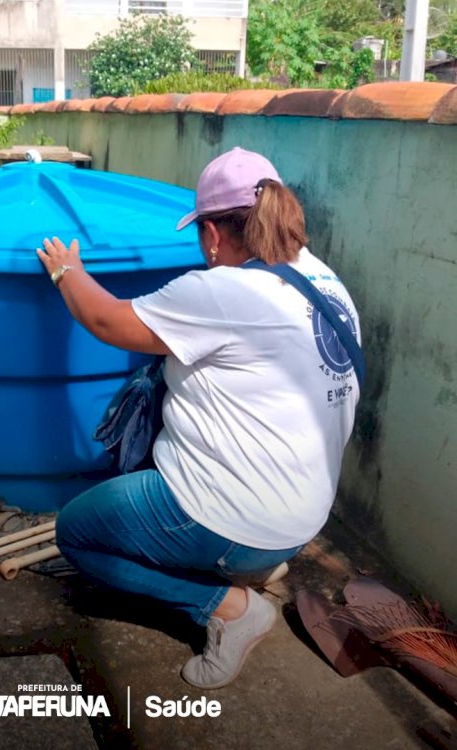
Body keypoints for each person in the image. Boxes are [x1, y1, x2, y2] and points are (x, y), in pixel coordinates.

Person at [35, 147, 361, 689]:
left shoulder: (221, 291)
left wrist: (67, 270)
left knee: (77, 533)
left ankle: (229, 605)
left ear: (212, 234)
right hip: (304, 516)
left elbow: (103, 318)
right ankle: (246, 560)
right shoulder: (324, 279)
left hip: (236, 514)